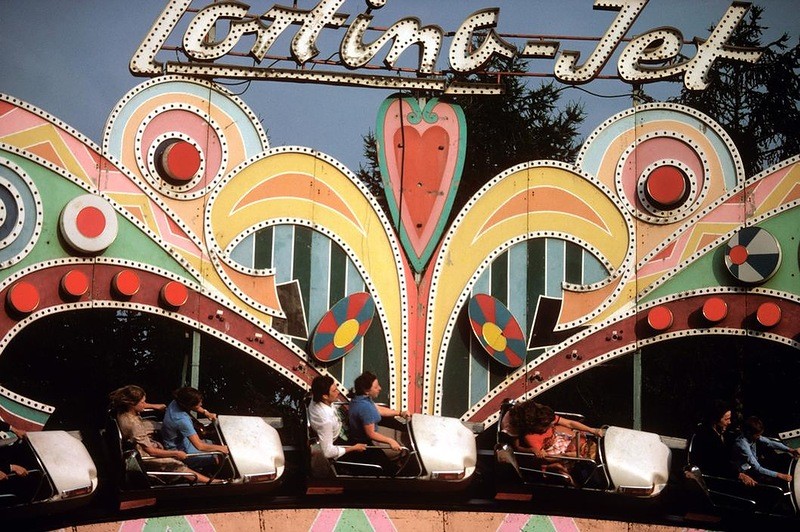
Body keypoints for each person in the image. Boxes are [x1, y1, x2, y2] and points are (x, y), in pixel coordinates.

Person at [109, 385, 218, 484]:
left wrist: (154, 406)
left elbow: (141, 405)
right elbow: (150, 451)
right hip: (144, 452)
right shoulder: (134, 425)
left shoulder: (123, 409)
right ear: (131, 404)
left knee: (157, 425)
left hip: (142, 437)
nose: (144, 404)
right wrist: (175, 453)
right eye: (142, 402)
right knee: (176, 465)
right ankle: (212, 482)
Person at [348, 371, 410, 472]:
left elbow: (379, 410)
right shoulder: (365, 408)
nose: (380, 388)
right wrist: (391, 441)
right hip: (364, 442)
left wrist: (400, 413)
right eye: (376, 387)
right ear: (366, 391)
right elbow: (371, 434)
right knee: (390, 470)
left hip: (365, 432)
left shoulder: (361, 398)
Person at [690, 400, 756, 486]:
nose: (729, 422)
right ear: (716, 420)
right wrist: (739, 475)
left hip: (726, 473)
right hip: (714, 479)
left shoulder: (722, 433)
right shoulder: (706, 438)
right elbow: (717, 464)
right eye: (726, 419)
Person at [161, 386, 229, 470]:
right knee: (219, 457)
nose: (201, 405)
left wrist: (206, 412)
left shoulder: (178, 399)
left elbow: (194, 406)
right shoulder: (181, 420)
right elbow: (200, 446)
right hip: (179, 449)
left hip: (182, 439)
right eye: (198, 404)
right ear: (188, 405)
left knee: (215, 443)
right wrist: (223, 449)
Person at [511, 400, 602, 460]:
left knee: (584, 442)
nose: (552, 424)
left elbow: (569, 423)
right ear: (537, 426)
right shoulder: (531, 437)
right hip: (556, 452)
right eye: (548, 425)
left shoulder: (546, 417)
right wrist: (566, 456)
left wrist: (592, 430)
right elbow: (547, 457)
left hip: (560, 438)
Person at [307, 375, 367, 459]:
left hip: (339, 426)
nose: (338, 392)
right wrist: (354, 448)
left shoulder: (318, 396)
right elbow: (327, 452)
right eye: (334, 390)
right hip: (339, 440)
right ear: (325, 396)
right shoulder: (325, 420)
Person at [732, 416, 800, 484]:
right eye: (758, 435)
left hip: (755, 463)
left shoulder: (752, 436)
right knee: (776, 480)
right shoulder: (742, 445)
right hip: (746, 470)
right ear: (749, 433)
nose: (759, 437)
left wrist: (791, 450)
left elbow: (770, 443)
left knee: (784, 457)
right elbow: (757, 468)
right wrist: (780, 475)